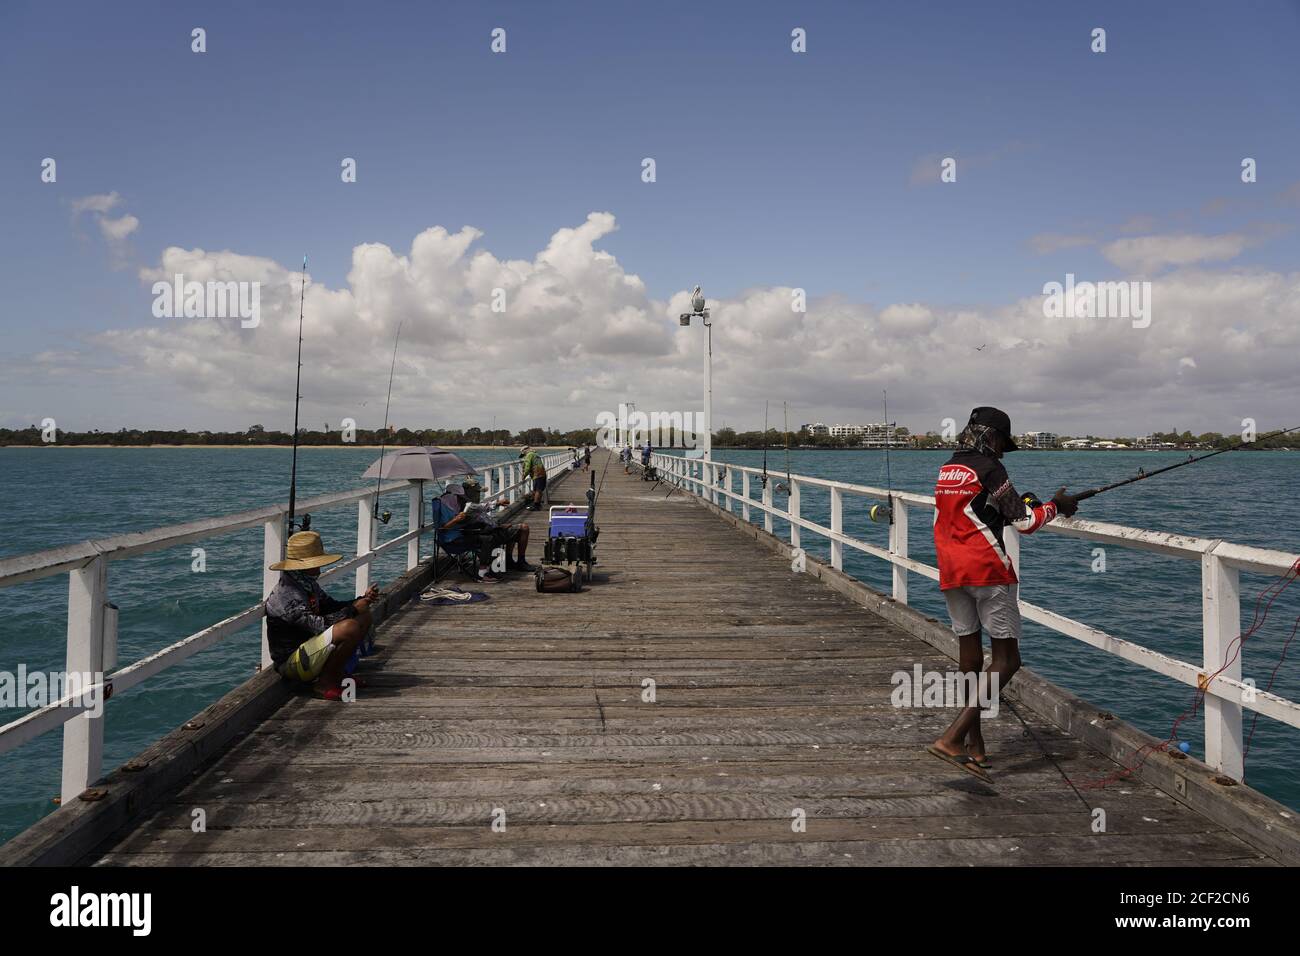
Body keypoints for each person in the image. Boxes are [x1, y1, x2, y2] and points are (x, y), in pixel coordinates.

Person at [927, 406, 1079, 779]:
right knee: (1007, 660)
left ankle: (974, 745)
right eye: (1001, 443)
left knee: (970, 657)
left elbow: (975, 511)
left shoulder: (949, 467)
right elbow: (1025, 522)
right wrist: (1058, 506)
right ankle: (952, 737)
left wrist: (1014, 506)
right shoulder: (991, 468)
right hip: (987, 569)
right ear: (992, 437)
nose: (1001, 450)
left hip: (951, 569)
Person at [264, 530, 379, 701]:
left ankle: (339, 675)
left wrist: (362, 600)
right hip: (292, 662)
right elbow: (318, 625)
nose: (319, 567)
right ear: (304, 566)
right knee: (350, 627)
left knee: (364, 617)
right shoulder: (287, 595)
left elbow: (330, 606)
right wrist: (353, 610)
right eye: (316, 563)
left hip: (311, 649)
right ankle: (324, 683)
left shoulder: (307, 585)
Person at [437, 482, 534, 573]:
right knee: (523, 528)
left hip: (489, 530)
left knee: (511, 529)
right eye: (477, 492)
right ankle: (520, 562)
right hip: (487, 534)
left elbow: (483, 508)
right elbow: (483, 508)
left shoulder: (461, 506)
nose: (479, 495)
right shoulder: (467, 507)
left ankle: (509, 560)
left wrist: (498, 522)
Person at [519, 445, 546, 511]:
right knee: (539, 490)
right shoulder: (535, 454)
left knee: (537, 490)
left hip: (537, 474)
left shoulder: (529, 455)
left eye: (524, 454)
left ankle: (535, 506)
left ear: (525, 451)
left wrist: (524, 476)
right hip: (542, 473)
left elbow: (527, 467)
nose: (524, 457)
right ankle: (538, 505)